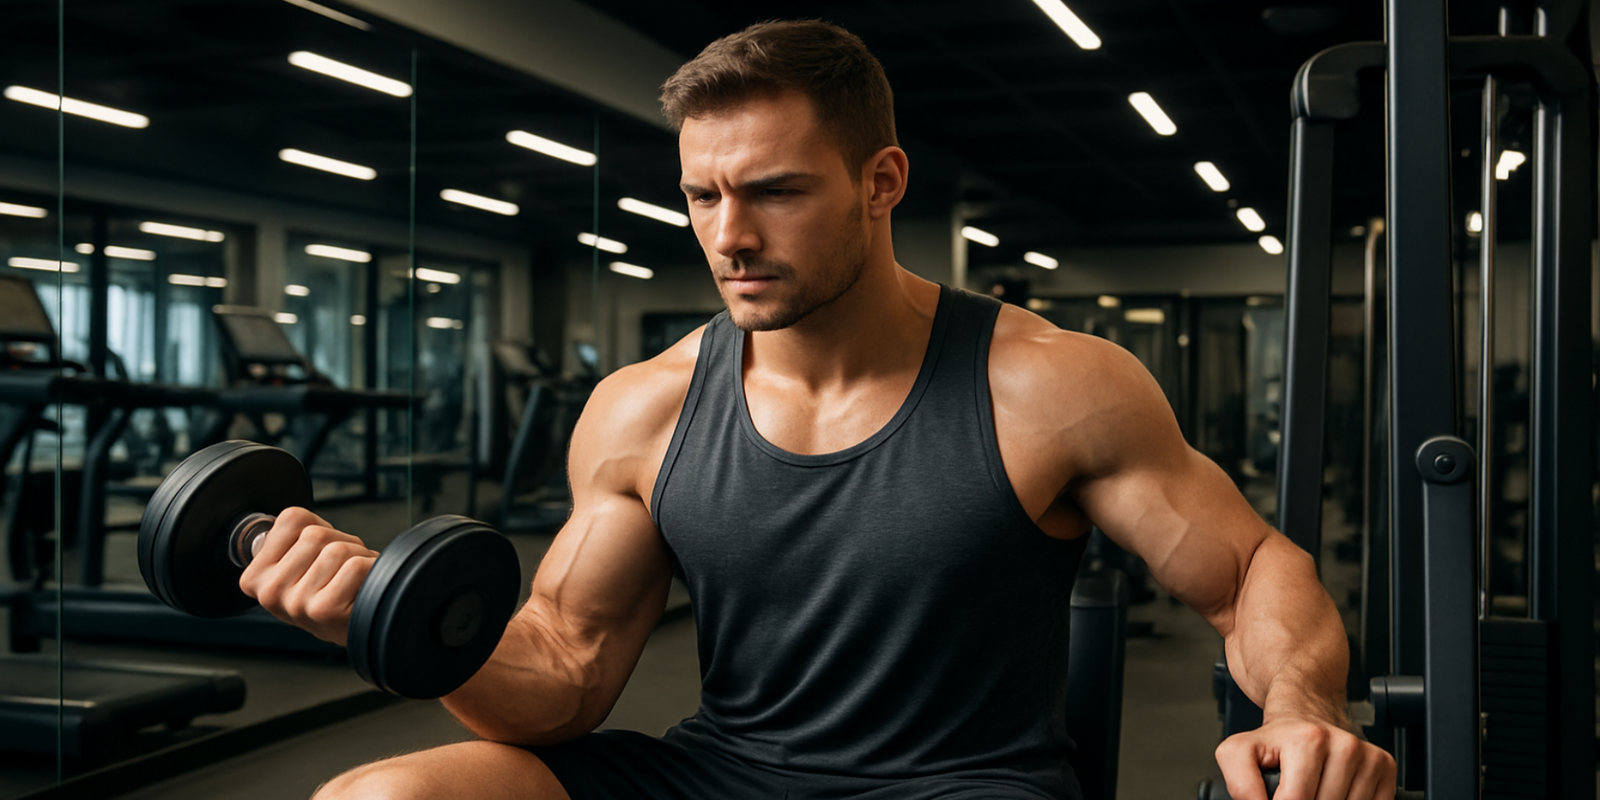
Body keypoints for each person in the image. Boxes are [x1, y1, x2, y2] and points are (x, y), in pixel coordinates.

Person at [240, 19, 1396, 800]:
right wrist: (389, 618)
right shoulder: (643, 409)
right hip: (717, 771)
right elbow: (564, 672)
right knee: (377, 793)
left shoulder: (1049, 383)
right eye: (702, 196)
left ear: (879, 182)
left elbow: (1252, 570)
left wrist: (1304, 705)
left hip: (960, 784)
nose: (729, 236)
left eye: (775, 191)